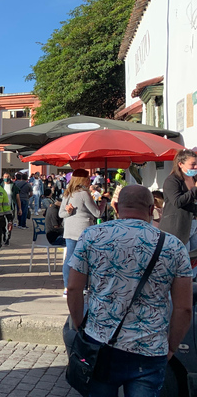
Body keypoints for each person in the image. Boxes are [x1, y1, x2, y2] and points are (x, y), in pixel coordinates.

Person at [67, 185, 192, 395]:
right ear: (152, 208)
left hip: (100, 342)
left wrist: (81, 326)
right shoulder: (173, 245)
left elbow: (73, 288)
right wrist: (171, 347)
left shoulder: (92, 236)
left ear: (116, 207)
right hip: (150, 348)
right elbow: (183, 308)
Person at [59, 169, 106, 297]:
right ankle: (83, 286)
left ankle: (67, 287)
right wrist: (104, 202)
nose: (89, 180)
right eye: (88, 178)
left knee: (69, 258)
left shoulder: (68, 193)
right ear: (83, 179)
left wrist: (68, 211)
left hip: (69, 230)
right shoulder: (84, 194)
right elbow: (97, 213)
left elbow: (61, 214)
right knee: (84, 259)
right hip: (83, 230)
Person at [161, 149, 197, 246]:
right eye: (192, 164)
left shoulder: (194, 178)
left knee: (192, 259)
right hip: (177, 228)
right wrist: (194, 189)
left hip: (193, 224)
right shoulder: (172, 180)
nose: (196, 167)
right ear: (181, 164)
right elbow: (177, 201)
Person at [0, 173, 21, 246]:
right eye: (5, 176)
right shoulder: (0, 186)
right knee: (2, 223)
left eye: (8, 177)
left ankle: (7, 238)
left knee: (9, 223)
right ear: (2, 177)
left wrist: (19, 208)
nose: (6, 178)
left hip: (10, 208)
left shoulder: (14, 186)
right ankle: (3, 234)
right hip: (0, 208)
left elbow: (17, 198)